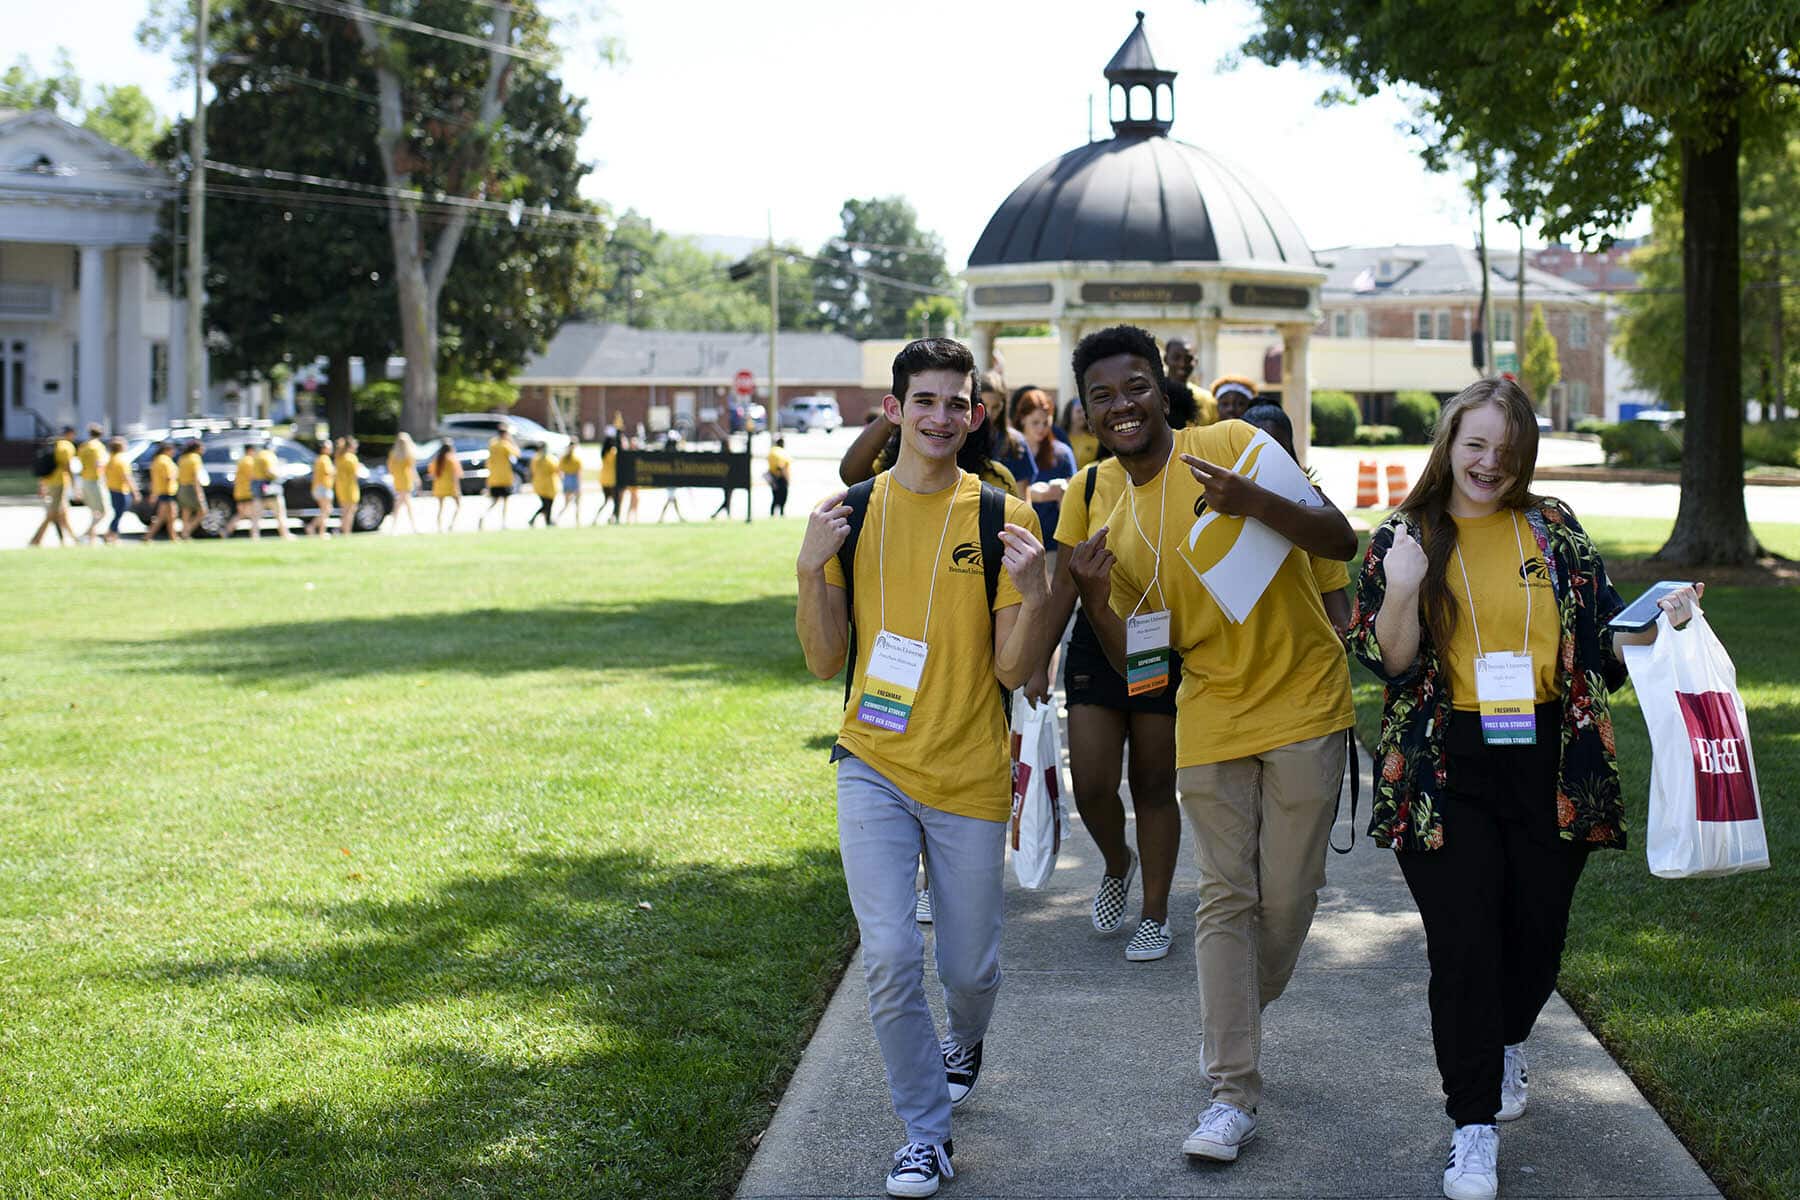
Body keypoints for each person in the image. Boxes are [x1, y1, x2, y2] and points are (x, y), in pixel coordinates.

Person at [1349, 377, 1701, 1200]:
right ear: (1449, 444)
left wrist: (1661, 619)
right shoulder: (1404, 536)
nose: (1488, 463)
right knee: (1465, 945)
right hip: (1442, 764)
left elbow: (1605, 645)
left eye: (1505, 451)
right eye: (1474, 444)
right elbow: (1391, 663)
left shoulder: (1555, 529)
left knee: (1536, 934)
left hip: (1552, 756)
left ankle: (1509, 1039)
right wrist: (1402, 585)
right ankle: (1470, 1126)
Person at [1065, 324, 1357, 1165]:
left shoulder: (1232, 441)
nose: (1121, 407)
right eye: (1103, 397)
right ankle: (1232, 1089)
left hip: (1304, 700)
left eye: (1134, 388)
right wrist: (1094, 601)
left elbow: (1337, 539)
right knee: (1226, 898)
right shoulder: (1114, 525)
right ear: (1089, 414)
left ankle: (1235, 1016)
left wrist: (1251, 499)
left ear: (1163, 389)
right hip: (1211, 714)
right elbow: (1143, 671)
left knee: (1289, 898)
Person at [795, 337, 1049, 1199]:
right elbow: (827, 660)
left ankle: (965, 1040)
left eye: (957, 403)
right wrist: (807, 570)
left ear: (976, 415)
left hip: (970, 769)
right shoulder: (850, 514)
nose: (941, 417)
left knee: (968, 970)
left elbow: (1013, 670)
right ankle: (924, 1135)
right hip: (871, 761)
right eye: (925, 401)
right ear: (895, 410)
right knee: (891, 955)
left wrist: (1039, 587)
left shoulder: (1004, 516)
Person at [1034, 442, 1183, 963]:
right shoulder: (1090, 483)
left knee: (1153, 783)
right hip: (1095, 641)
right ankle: (1118, 860)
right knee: (1093, 784)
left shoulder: (1183, 474)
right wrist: (1039, 661)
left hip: (1157, 643)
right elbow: (1063, 586)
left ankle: (1155, 914)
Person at [1243, 403, 1353, 633]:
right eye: (1258, 451)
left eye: (1277, 453)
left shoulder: (1312, 509)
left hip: (1304, 653)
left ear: (1291, 455)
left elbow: (1336, 604)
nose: (1268, 462)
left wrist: (1340, 630)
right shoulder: (1222, 505)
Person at [1010, 386, 1076, 546]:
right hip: (1019, 539)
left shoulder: (1062, 453)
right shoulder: (1011, 451)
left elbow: (1075, 499)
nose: (1041, 428)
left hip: (1054, 541)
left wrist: (1063, 492)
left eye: (1046, 423)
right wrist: (1033, 495)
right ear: (1022, 419)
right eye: (1035, 423)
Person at [29, 426, 78, 547]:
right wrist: (74, 485)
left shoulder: (54, 444)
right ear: (70, 434)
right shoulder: (67, 446)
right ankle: (36, 540)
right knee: (52, 513)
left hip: (50, 481)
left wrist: (42, 484)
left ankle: (71, 540)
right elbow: (67, 467)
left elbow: (46, 466)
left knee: (62, 512)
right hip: (59, 482)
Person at [1163, 338, 1219, 426]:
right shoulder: (1155, 394)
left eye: (1188, 359)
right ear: (1166, 359)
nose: (1182, 364)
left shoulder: (1208, 399)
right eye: (1176, 357)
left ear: (1195, 362)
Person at [76, 425, 113, 545]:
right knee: (104, 511)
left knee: (94, 512)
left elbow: (79, 464)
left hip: (85, 480)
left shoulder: (83, 446)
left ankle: (92, 539)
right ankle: (85, 534)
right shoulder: (98, 446)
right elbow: (100, 464)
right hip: (95, 481)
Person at [479, 423, 520, 530]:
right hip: (505, 477)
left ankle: (483, 516)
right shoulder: (505, 445)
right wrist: (511, 441)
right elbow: (517, 453)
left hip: (494, 477)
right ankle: (503, 523)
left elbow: (489, 461)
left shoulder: (493, 443)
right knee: (505, 502)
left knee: (494, 502)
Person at [220, 443, 263, 540]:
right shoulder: (249, 461)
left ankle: (226, 531)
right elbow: (253, 476)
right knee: (254, 514)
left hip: (240, 491)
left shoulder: (242, 461)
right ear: (250, 450)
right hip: (247, 492)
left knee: (241, 514)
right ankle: (254, 534)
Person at [254, 439, 293, 539]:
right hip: (271, 488)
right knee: (280, 513)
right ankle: (285, 534)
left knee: (257, 516)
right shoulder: (268, 456)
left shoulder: (258, 456)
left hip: (258, 489)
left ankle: (255, 535)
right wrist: (280, 475)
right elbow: (271, 471)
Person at [142, 442, 180, 542]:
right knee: (164, 516)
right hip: (167, 491)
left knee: (169, 516)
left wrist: (153, 493)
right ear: (167, 450)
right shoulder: (165, 461)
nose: (174, 452)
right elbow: (168, 477)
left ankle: (173, 536)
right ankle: (149, 536)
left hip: (161, 491)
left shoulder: (156, 460)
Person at [103, 437, 137, 545]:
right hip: (121, 490)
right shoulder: (121, 461)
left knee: (117, 513)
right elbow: (127, 477)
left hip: (112, 489)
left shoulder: (110, 460)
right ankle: (112, 535)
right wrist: (135, 492)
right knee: (118, 514)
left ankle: (112, 534)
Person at [388, 431, 421, 534]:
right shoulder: (408, 454)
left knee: (403, 503)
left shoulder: (393, 454)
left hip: (398, 480)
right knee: (403, 504)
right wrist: (417, 479)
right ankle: (412, 527)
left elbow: (390, 468)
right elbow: (412, 469)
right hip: (406, 480)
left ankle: (397, 527)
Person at [176, 439, 209, 540]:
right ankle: (187, 531)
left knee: (186, 511)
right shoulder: (195, 458)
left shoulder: (182, 458)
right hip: (191, 487)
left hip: (181, 487)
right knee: (203, 511)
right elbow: (196, 477)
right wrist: (199, 493)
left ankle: (184, 533)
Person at [430, 441, 463, 532]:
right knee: (458, 505)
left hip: (439, 486)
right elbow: (455, 475)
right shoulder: (451, 459)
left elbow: (432, 474)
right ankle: (451, 525)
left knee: (440, 508)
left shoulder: (437, 460)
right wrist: (458, 489)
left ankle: (439, 527)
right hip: (450, 486)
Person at [1062, 397, 1102, 469]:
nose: (1083, 415)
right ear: (1069, 413)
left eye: (1085, 411)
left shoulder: (1096, 440)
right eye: (1078, 411)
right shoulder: (1060, 438)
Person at [307, 440, 336, 537]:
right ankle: (321, 532)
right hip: (323, 487)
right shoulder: (324, 459)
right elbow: (329, 472)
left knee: (326, 510)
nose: (331, 449)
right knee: (325, 511)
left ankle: (312, 527)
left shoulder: (320, 459)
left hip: (320, 487)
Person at [335, 437, 363, 534]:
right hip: (350, 488)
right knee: (349, 512)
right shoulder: (352, 458)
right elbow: (356, 475)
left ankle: (341, 530)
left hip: (341, 487)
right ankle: (346, 532)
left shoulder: (340, 457)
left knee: (345, 511)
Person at [528, 446, 559, 527]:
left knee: (546, 504)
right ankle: (546, 520)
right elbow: (556, 470)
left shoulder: (535, 459)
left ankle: (546, 520)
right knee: (547, 505)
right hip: (549, 485)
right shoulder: (551, 459)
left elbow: (532, 471)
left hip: (539, 484)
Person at [595, 433, 620, 525]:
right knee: (616, 502)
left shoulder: (603, 452)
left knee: (606, 501)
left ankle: (596, 517)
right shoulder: (613, 452)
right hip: (612, 480)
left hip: (603, 479)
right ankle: (613, 518)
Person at [557, 440, 584, 524]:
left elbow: (559, 471)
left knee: (566, 503)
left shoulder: (563, 458)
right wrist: (579, 486)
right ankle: (577, 521)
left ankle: (557, 518)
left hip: (566, 479)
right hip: (574, 479)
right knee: (577, 503)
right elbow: (579, 474)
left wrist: (563, 481)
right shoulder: (576, 459)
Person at [767, 435, 792, 517]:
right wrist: (786, 479)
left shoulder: (772, 451)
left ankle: (772, 514)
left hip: (773, 476)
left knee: (775, 496)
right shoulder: (781, 452)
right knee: (782, 497)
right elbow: (781, 467)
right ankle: (781, 513)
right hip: (781, 478)